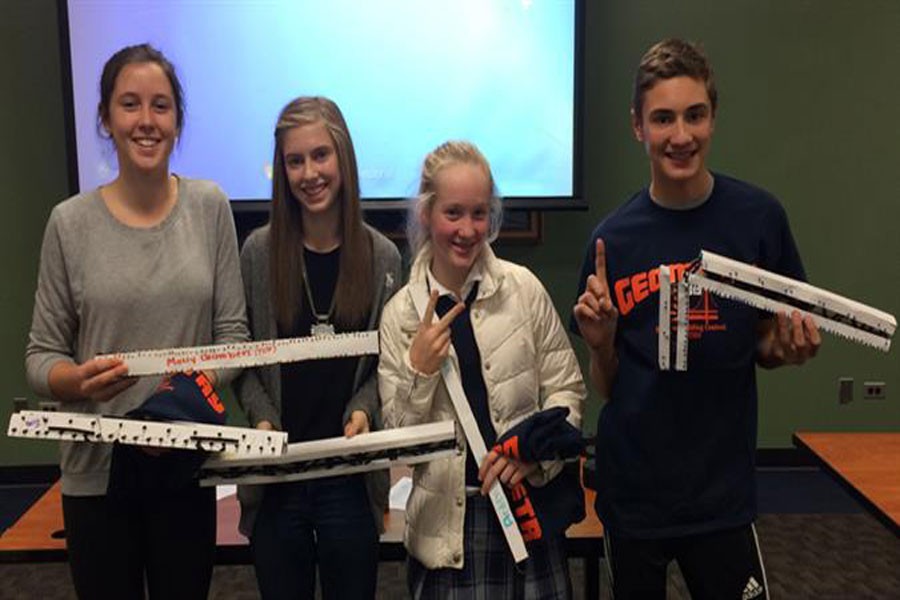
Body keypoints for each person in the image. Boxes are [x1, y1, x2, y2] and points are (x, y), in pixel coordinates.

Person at [572, 38, 821, 600]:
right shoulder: (612, 241)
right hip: (634, 493)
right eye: (663, 118)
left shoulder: (758, 219)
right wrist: (601, 343)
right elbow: (607, 386)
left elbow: (765, 345)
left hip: (720, 494)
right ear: (638, 126)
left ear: (712, 119)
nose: (680, 136)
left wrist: (788, 349)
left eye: (694, 116)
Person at [24, 43, 249, 599]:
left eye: (161, 106)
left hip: (184, 466)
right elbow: (40, 358)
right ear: (105, 118)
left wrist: (175, 409)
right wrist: (74, 382)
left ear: (177, 120)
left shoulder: (209, 207)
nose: (146, 121)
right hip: (96, 474)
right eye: (129, 105)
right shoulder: (68, 224)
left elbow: (234, 341)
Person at [378, 140, 586, 599]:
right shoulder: (399, 316)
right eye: (453, 213)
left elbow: (567, 392)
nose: (467, 230)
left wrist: (535, 452)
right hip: (448, 535)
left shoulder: (523, 289)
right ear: (426, 215)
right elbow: (398, 447)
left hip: (529, 512)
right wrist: (419, 371)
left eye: (479, 214)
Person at [235, 96, 401, 600]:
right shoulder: (258, 254)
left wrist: (363, 409)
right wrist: (262, 417)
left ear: (344, 159)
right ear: (281, 170)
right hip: (277, 480)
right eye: (295, 160)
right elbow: (241, 359)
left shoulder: (383, 257)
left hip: (348, 480)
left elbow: (387, 364)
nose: (310, 172)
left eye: (321, 155)